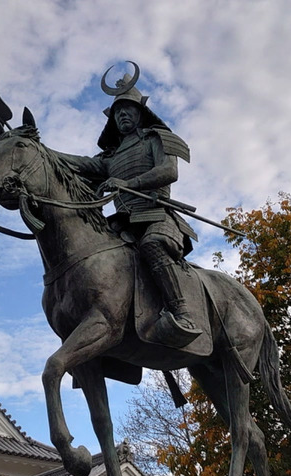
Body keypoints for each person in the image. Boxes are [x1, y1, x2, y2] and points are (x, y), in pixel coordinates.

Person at [58, 68, 201, 347]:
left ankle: (182, 313)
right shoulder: (111, 157)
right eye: (117, 111)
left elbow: (169, 171)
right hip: (123, 222)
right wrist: (41, 151)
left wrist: (128, 182)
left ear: (140, 112)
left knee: (152, 245)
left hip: (156, 215)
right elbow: (82, 163)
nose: (122, 114)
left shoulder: (155, 138)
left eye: (128, 109)